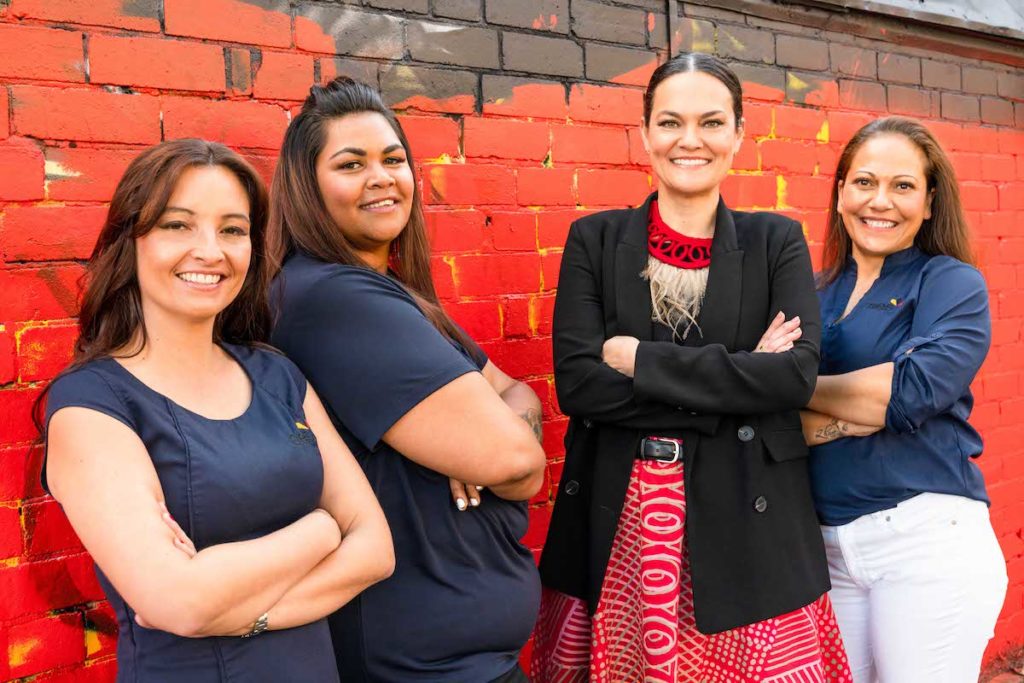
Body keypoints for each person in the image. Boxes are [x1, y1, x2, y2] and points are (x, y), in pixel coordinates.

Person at [532, 52, 852, 682]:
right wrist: (739, 379)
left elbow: (793, 377)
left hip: (747, 520)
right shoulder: (593, 241)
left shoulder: (775, 242)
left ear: (738, 133)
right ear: (645, 132)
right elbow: (579, 386)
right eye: (670, 121)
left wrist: (641, 359)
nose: (690, 140)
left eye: (711, 122)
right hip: (622, 519)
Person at [34, 139, 394, 682]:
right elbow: (177, 602)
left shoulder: (279, 376)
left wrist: (242, 615)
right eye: (178, 225)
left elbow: (376, 550)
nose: (210, 250)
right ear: (131, 240)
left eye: (232, 229)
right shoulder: (92, 405)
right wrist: (321, 531)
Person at [267, 77, 547, 683]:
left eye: (393, 159)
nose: (381, 176)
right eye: (351, 163)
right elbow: (518, 464)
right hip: (419, 665)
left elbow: (517, 395)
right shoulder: (335, 298)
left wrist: (482, 424)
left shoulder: (393, 297)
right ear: (306, 187)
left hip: (456, 659)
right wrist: (483, 434)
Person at [801, 116, 1007, 682]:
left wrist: (800, 392)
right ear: (841, 189)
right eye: (864, 181)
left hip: (925, 541)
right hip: (830, 551)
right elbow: (771, 418)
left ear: (930, 200)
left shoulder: (949, 283)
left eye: (903, 185)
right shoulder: (811, 292)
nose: (880, 201)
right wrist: (847, 413)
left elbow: (913, 391)